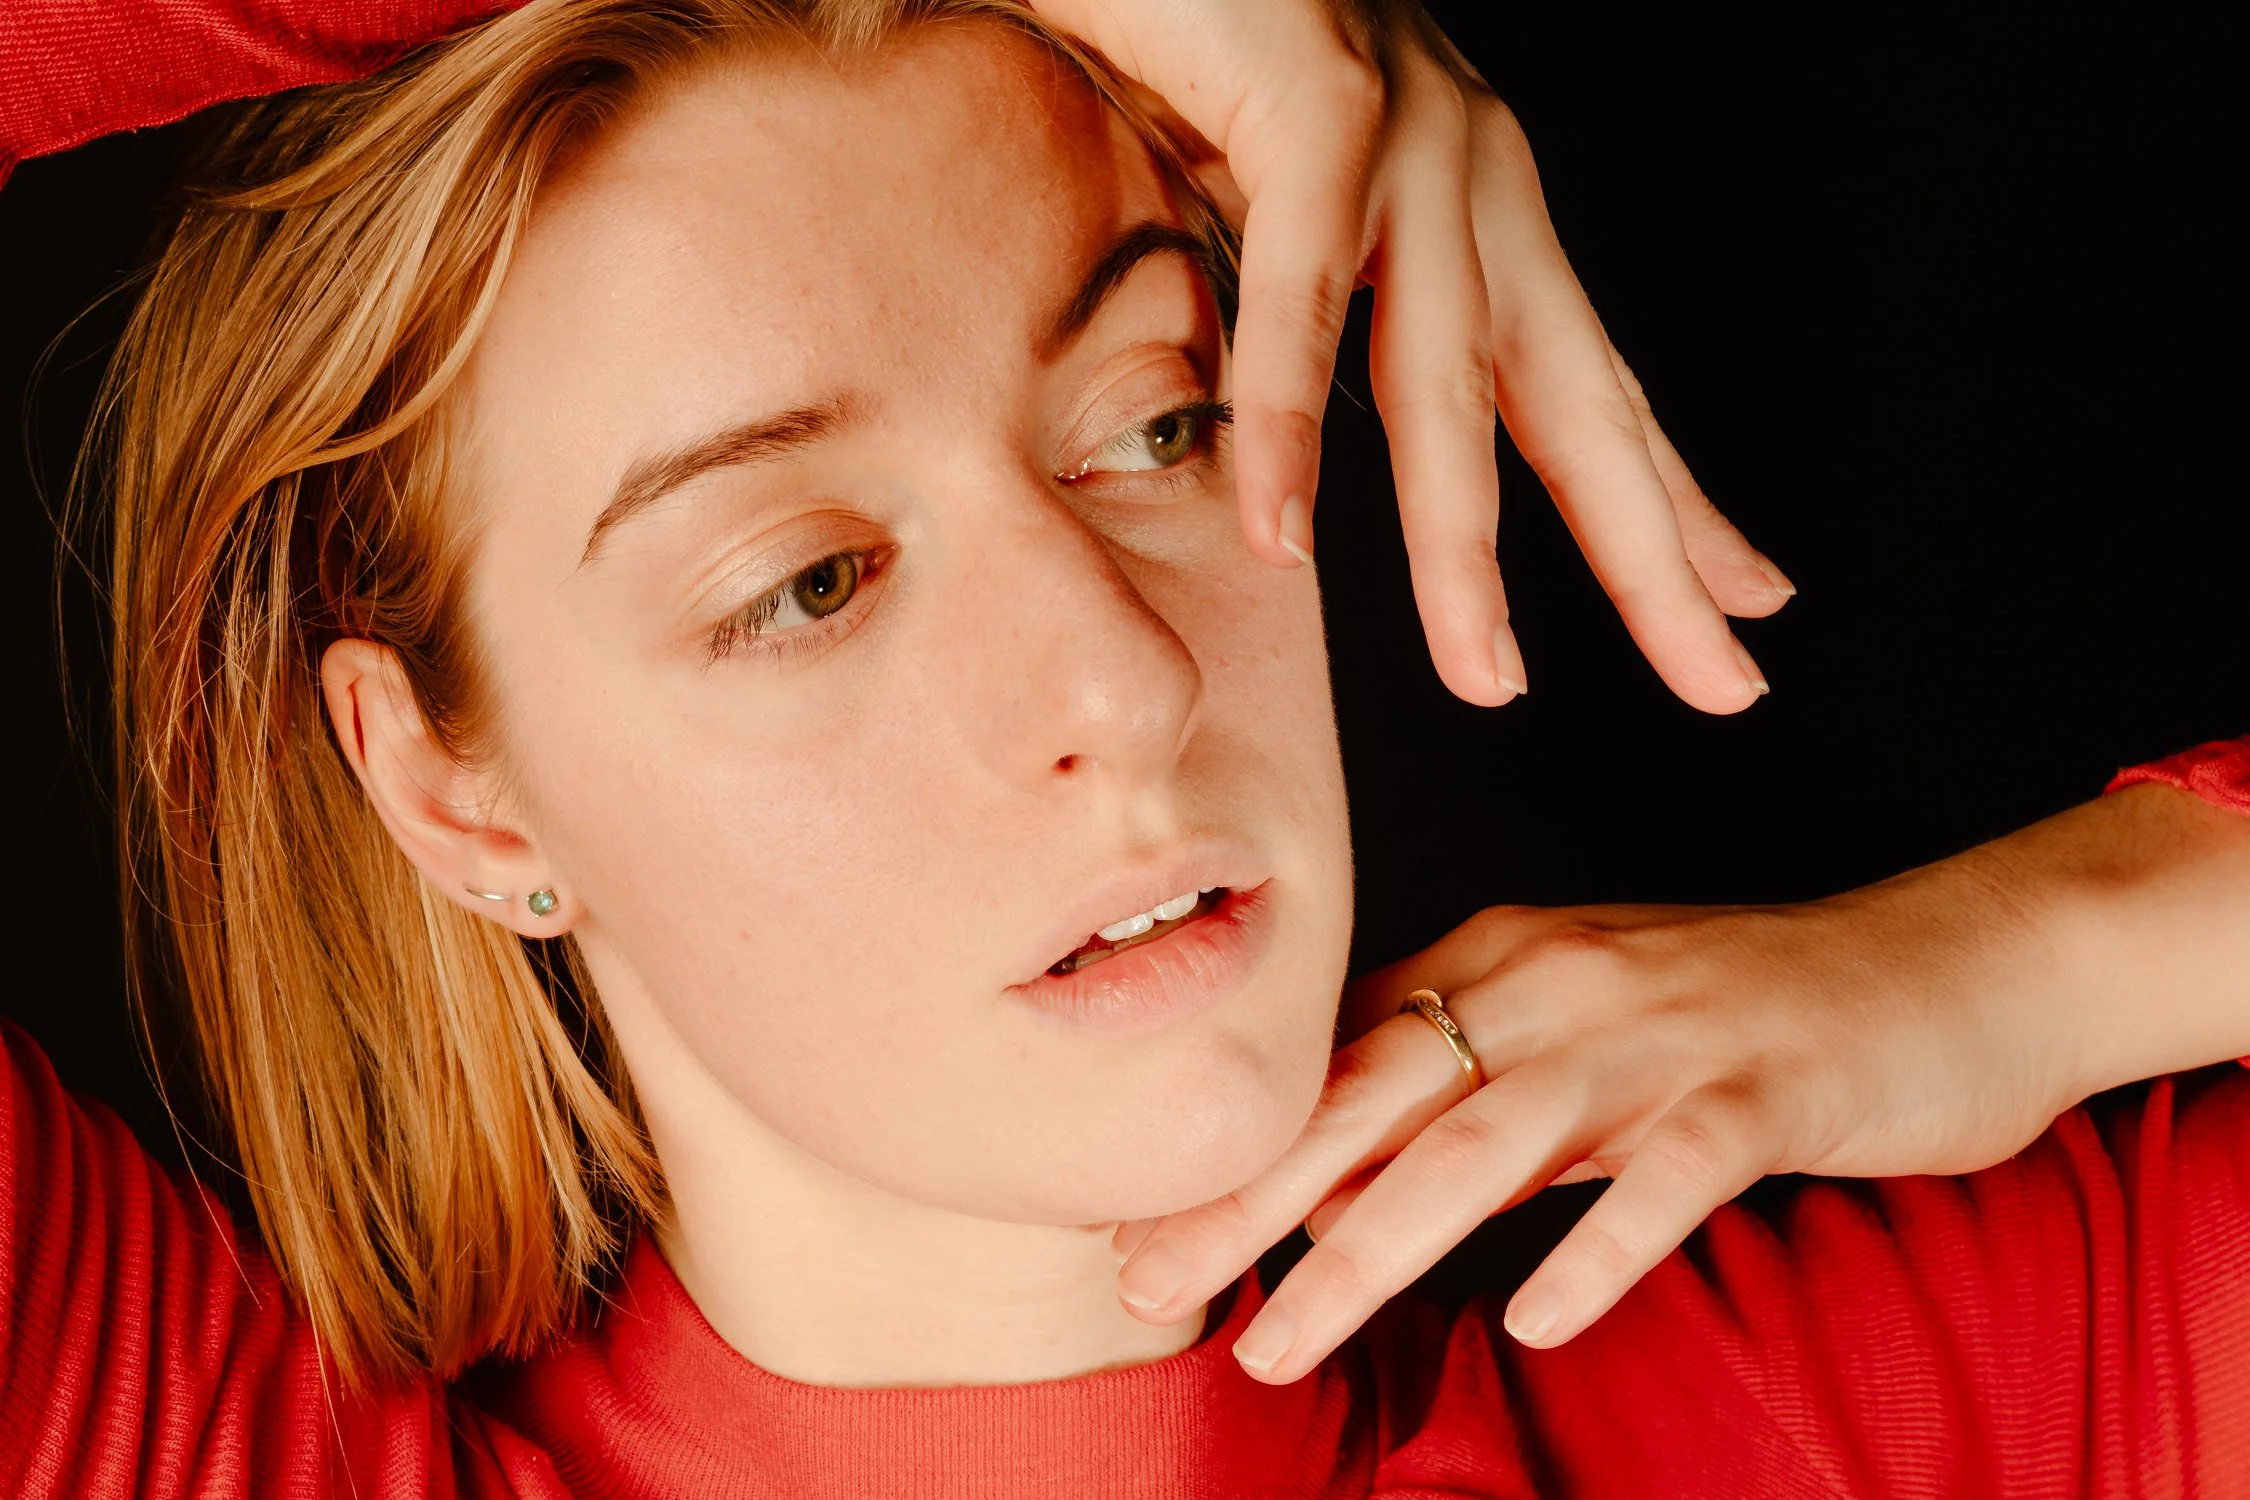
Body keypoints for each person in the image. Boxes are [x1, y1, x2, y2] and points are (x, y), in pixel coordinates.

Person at [0, 2, 2245, 1497]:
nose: (1123, 681)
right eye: (809, 581)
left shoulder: (1921, 1395)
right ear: (454, 789)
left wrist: (2031, 959)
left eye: (1158, 423)